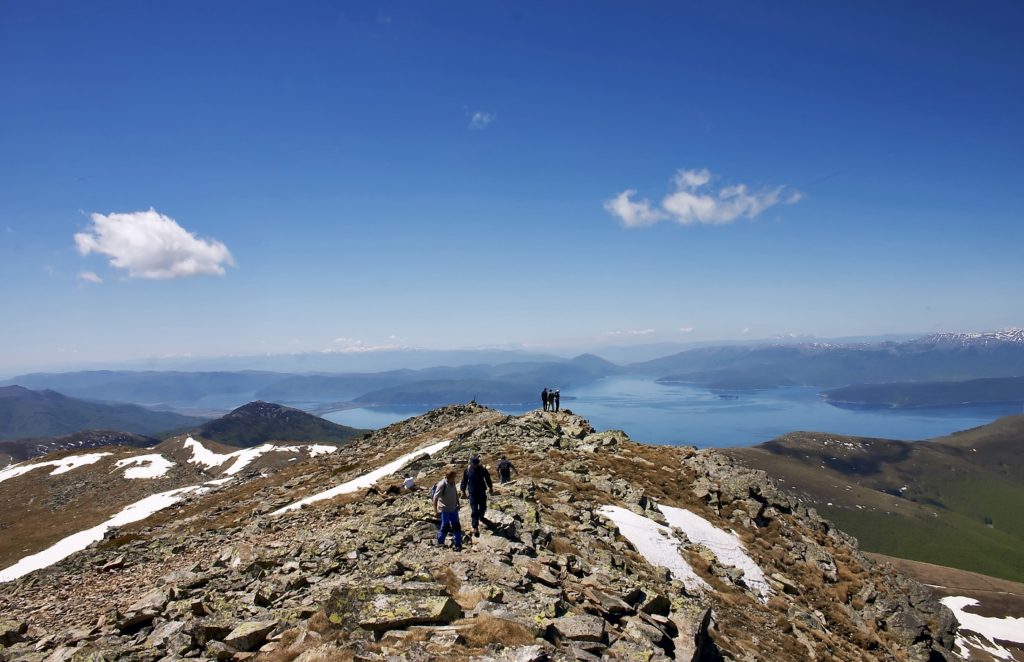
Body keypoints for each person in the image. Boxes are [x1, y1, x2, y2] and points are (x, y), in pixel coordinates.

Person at [460, 455, 494, 535]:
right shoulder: (467, 470)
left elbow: (487, 478)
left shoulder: (482, 469)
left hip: (482, 491)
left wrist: (490, 487)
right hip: (472, 492)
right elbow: (464, 480)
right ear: (471, 463)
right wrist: (463, 490)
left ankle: (481, 517)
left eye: (476, 463)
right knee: (474, 509)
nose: (475, 465)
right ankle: (475, 526)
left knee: (483, 507)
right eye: (474, 463)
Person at [432, 469, 462, 550]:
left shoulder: (452, 482)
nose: (455, 478)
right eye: (454, 477)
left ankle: (458, 544)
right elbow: (435, 497)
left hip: (453, 508)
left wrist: (458, 503)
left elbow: (455, 492)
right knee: (445, 526)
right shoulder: (442, 485)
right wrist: (435, 510)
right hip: (444, 509)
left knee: (456, 526)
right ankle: (440, 542)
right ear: (449, 477)